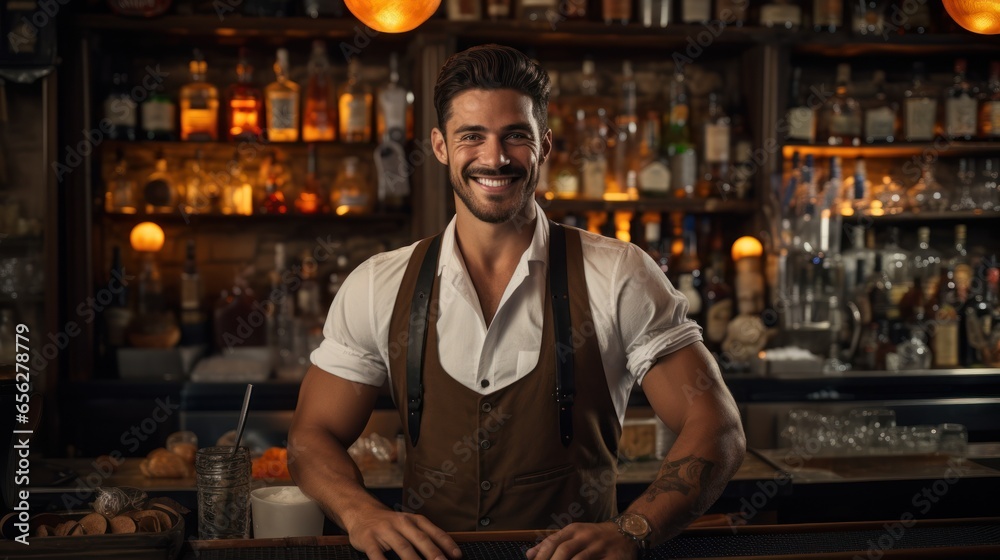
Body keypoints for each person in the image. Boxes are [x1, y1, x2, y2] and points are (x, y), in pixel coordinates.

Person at [289, 44, 745, 560]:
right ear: (440, 146)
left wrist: (634, 529)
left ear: (545, 145)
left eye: (515, 136)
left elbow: (717, 425)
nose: (495, 158)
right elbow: (312, 434)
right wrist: (360, 513)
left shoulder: (618, 273)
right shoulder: (378, 283)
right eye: (472, 137)